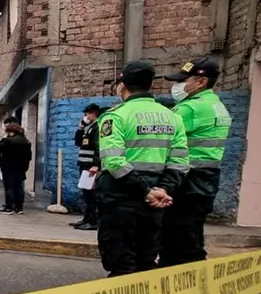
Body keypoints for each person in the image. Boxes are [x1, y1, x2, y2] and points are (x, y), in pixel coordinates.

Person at [96, 60, 189, 277]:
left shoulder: (116, 116)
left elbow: (114, 161)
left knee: (120, 260)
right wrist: (162, 190)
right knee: (146, 259)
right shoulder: (173, 117)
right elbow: (180, 162)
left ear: (122, 85)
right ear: (151, 86)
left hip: (121, 195)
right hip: (156, 200)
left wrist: (146, 191)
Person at [159, 57, 231, 270]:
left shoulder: (190, 109)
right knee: (191, 232)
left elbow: (165, 139)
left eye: (184, 80)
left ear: (201, 82)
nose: (178, 85)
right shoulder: (216, 106)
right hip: (207, 178)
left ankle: (178, 281)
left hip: (186, 179)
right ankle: (195, 277)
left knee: (174, 235)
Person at [72, 103, 102, 231]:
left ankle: (93, 221)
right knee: (86, 193)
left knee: (92, 194)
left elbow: (98, 147)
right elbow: (78, 143)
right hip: (84, 165)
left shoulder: (97, 127)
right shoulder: (88, 128)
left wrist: (96, 164)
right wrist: (80, 128)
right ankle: (86, 219)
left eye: (87, 114)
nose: (85, 117)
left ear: (93, 114)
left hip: (91, 166)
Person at [0, 123, 32, 214]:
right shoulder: (26, 142)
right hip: (21, 167)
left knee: (9, 187)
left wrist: (4, 138)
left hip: (8, 167)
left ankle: (9, 207)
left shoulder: (9, 141)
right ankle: (19, 207)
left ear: (11, 132)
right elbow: (29, 156)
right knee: (19, 186)